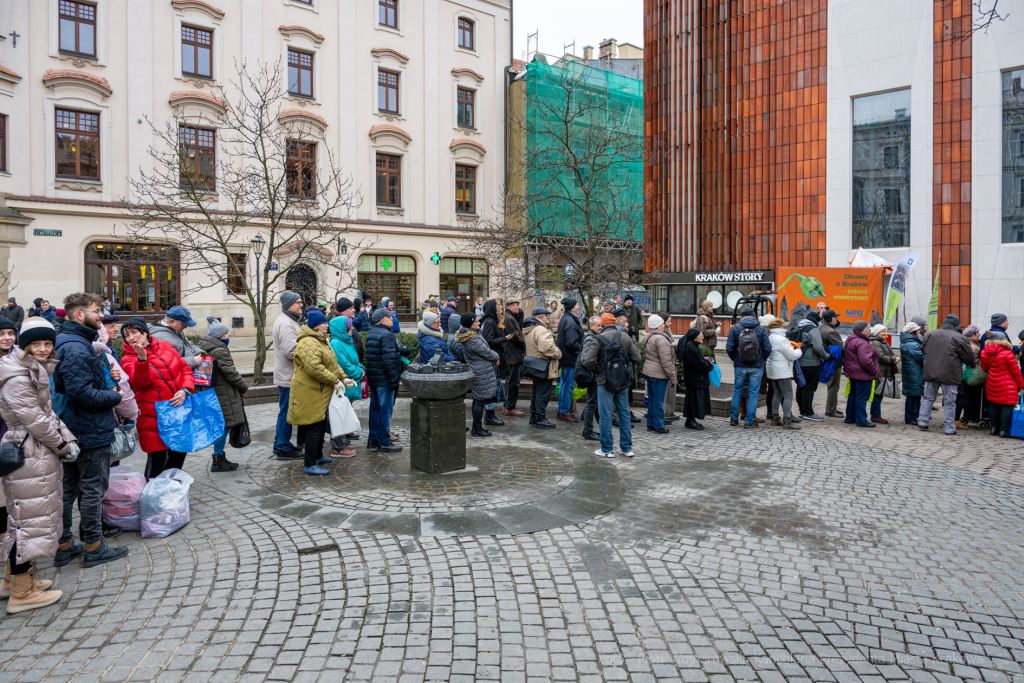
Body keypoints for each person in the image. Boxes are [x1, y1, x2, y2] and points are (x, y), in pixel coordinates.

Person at [0, 318, 73, 613]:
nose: (42, 349)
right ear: (25, 345)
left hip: (33, 448)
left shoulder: (31, 368)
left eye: (47, 343)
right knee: (27, 522)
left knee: (24, 518)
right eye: (35, 344)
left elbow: (46, 414)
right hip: (27, 450)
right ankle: (22, 593)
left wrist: (65, 437)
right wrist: (62, 445)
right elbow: (36, 420)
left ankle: (13, 580)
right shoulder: (18, 376)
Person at [53, 293, 126, 568]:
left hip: (76, 427)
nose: (102, 315)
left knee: (69, 488)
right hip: (88, 428)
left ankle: (65, 545)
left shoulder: (72, 341)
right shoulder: (75, 347)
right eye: (97, 311)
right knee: (92, 488)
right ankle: (94, 546)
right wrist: (115, 395)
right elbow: (82, 394)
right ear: (79, 314)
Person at [119, 317, 194, 479]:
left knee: (178, 455)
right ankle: (153, 492)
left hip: (178, 411)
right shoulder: (127, 359)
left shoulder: (165, 346)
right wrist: (142, 359)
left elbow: (185, 369)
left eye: (134, 332)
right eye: (126, 335)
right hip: (154, 417)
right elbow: (141, 383)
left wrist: (185, 390)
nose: (131, 337)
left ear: (145, 332)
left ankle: (172, 489)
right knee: (157, 461)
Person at [288, 310, 353, 475]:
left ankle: (317, 456)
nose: (326, 325)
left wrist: (344, 378)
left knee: (320, 424)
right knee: (314, 427)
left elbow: (332, 363)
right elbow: (314, 368)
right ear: (316, 326)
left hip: (320, 390)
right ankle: (310, 464)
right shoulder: (309, 342)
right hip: (310, 391)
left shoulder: (321, 340)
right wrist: (335, 380)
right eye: (324, 323)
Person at [583, 313, 641, 457]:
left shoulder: (598, 338)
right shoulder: (625, 337)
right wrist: (623, 367)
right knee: (624, 414)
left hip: (604, 381)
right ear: (615, 323)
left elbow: (588, 361)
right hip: (622, 381)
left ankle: (607, 449)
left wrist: (599, 371)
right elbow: (637, 358)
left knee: (605, 415)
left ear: (602, 325)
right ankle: (627, 448)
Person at [198, 316, 247, 473]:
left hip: (213, 394)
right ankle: (218, 459)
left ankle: (218, 457)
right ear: (219, 336)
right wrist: (243, 388)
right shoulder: (219, 351)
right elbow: (231, 373)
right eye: (226, 333)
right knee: (225, 426)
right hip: (223, 395)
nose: (229, 334)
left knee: (222, 425)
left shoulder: (205, 349)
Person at [918, 314, 976, 435]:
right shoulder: (960, 337)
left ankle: (923, 422)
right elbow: (969, 357)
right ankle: (949, 428)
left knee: (928, 398)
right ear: (956, 326)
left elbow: (923, 349)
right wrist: (972, 363)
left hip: (931, 371)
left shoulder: (930, 334)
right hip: (950, 373)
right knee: (950, 401)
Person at [725, 307, 772, 429]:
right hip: (757, 366)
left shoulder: (735, 328)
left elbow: (729, 347)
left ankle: (734, 418)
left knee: (737, 391)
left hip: (740, 365)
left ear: (742, 317)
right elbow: (768, 348)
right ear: (754, 316)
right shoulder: (761, 329)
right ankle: (749, 421)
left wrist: (735, 359)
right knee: (753, 393)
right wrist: (762, 359)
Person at [456, 313, 502, 437]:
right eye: (476, 321)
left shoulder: (472, 334)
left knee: (479, 400)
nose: (479, 323)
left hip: (481, 370)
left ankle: (477, 427)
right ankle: (477, 429)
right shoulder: (472, 338)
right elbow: (485, 351)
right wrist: (496, 357)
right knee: (480, 401)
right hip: (481, 372)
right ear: (470, 324)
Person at [364, 308, 403, 452]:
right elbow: (389, 360)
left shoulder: (372, 333)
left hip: (375, 378)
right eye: (389, 317)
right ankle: (384, 442)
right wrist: (394, 379)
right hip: (384, 380)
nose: (392, 319)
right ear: (382, 320)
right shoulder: (387, 335)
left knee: (375, 409)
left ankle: (373, 439)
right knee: (385, 411)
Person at [272, 291, 303, 460]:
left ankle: (280, 443)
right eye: (298, 302)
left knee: (285, 411)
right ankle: (283, 447)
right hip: (288, 376)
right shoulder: (285, 323)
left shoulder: (289, 320)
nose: (301, 305)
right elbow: (291, 351)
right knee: (286, 412)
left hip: (289, 374)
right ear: (289, 305)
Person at [327, 315, 363, 457]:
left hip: (350, 382)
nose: (352, 328)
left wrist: (361, 368)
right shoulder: (336, 344)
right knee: (339, 415)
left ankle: (341, 443)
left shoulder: (347, 341)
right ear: (342, 328)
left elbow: (355, 360)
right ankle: (338, 446)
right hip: (343, 384)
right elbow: (345, 365)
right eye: (349, 326)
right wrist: (359, 372)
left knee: (344, 414)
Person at [523, 307, 561, 429]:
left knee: (536, 392)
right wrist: (558, 353)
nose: (548, 318)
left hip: (535, 365)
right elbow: (547, 348)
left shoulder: (531, 328)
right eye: (546, 315)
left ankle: (534, 417)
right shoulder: (541, 329)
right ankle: (540, 418)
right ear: (539, 317)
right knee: (543, 394)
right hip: (543, 365)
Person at [981, 331, 1024, 437]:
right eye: (1005, 338)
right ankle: (1003, 431)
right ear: (1001, 340)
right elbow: (1016, 371)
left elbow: (984, 368)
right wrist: (1021, 384)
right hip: (1007, 384)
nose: (1007, 339)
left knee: (993, 405)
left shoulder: (984, 352)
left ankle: (994, 428)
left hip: (991, 382)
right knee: (1007, 407)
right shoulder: (1007, 354)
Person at [764, 318, 803, 429]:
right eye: (783, 326)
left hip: (772, 370)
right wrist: (799, 349)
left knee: (777, 393)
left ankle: (775, 418)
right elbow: (792, 355)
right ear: (779, 327)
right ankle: (787, 420)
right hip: (782, 371)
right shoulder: (782, 340)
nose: (785, 328)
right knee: (788, 395)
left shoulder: (770, 337)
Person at [641, 315, 675, 434]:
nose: (664, 325)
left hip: (649, 371)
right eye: (662, 324)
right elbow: (666, 361)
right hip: (658, 374)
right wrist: (673, 377)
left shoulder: (647, 337)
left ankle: (650, 423)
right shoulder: (661, 339)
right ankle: (659, 425)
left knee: (651, 399)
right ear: (657, 325)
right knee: (658, 401)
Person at [478, 299, 510, 426]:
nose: (501, 308)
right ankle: (489, 416)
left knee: (493, 387)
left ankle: (490, 415)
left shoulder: (492, 321)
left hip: (494, 359)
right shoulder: (490, 322)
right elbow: (488, 342)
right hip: (492, 360)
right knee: (491, 388)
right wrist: (504, 339)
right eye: (499, 306)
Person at [794, 311, 829, 421]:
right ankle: (808, 413)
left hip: (800, 362)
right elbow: (818, 348)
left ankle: (802, 411)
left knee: (801, 387)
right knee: (809, 389)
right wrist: (827, 357)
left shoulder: (800, 327)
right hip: (811, 363)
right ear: (817, 321)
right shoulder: (813, 329)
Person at [843, 321, 879, 428]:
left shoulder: (851, 338)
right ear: (863, 330)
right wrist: (874, 370)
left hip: (853, 372)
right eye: (868, 328)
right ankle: (862, 420)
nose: (870, 330)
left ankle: (850, 418)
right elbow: (865, 360)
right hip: (863, 374)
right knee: (862, 397)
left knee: (853, 395)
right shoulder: (862, 342)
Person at [679, 327, 715, 430]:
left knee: (693, 399)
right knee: (694, 400)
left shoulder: (692, 346)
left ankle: (690, 420)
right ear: (695, 337)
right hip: (695, 379)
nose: (703, 337)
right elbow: (699, 364)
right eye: (701, 335)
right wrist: (710, 366)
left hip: (694, 378)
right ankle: (690, 421)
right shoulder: (691, 348)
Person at [555, 299, 582, 422]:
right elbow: (572, 343)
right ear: (571, 307)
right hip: (570, 358)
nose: (579, 307)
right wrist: (582, 350)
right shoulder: (570, 321)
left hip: (566, 357)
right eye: (577, 305)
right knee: (568, 386)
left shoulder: (566, 318)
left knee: (564, 385)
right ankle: (564, 411)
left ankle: (562, 410)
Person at [576, 316, 602, 441]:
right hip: (592, 375)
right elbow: (584, 359)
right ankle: (588, 431)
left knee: (594, 403)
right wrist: (596, 369)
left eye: (601, 325)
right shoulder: (590, 338)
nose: (600, 327)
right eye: (598, 325)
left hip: (592, 375)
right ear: (591, 326)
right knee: (592, 403)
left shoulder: (595, 337)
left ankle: (591, 429)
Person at [867, 324, 898, 424]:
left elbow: (890, 353)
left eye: (885, 331)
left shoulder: (883, 341)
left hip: (885, 371)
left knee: (880, 394)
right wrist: (893, 359)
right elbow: (880, 356)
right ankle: (875, 415)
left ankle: (876, 415)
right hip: (880, 372)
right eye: (882, 331)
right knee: (878, 393)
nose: (885, 333)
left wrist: (894, 358)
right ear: (876, 333)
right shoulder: (876, 342)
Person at [955, 324, 983, 429]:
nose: (979, 334)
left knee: (963, 397)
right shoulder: (972, 345)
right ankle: (956, 420)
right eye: (977, 333)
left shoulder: (969, 342)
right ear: (972, 335)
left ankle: (966, 417)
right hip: (967, 375)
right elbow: (971, 360)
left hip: (964, 374)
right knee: (961, 398)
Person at [501, 299, 526, 417]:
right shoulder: (509, 318)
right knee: (513, 382)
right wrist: (524, 342)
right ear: (510, 307)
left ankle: (507, 405)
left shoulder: (509, 317)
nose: (519, 307)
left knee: (510, 381)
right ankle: (510, 407)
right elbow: (515, 337)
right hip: (512, 355)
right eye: (517, 305)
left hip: (511, 354)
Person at [819, 310, 844, 417]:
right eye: (835, 317)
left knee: (832, 386)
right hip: (833, 362)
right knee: (834, 387)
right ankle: (830, 410)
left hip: (827, 361)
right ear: (830, 319)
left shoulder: (822, 328)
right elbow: (841, 347)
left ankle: (833, 407)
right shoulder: (830, 331)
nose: (837, 319)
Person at [899, 322, 925, 425]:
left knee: (914, 395)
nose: (919, 332)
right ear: (913, 332)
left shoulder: (909, 342)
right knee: (912, 396)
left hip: (912, 372)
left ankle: (912, 416)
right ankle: (910, 418)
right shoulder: (912, 344)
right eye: (918, 330)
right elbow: (922, 358)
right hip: (914, 373)